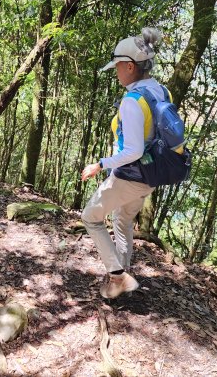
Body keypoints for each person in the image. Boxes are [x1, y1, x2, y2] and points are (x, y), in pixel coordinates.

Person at [81, 27, 164, 299]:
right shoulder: (160, 92)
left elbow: (133, 150)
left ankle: (117, 277)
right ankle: (124, 269)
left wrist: (100, 164)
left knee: (90, 217)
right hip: (151, 176)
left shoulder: (132, 100)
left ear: (130, 66)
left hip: (129, 176)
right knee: (123, 219)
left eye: (117, 65)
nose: (116, 71)